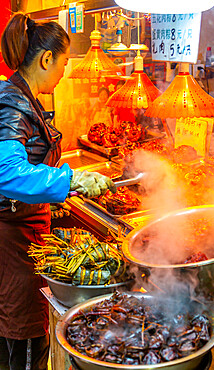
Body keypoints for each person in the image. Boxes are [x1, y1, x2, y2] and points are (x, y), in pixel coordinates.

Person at [0, 12, 116, 370]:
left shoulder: (22, 95)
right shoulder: (12, 103)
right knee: (24, 333)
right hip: (14, 237)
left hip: (28, 231)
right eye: (64, 62)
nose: (64, 71)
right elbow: (7, 173)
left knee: (26, 329)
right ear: (47, 59)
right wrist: (71, 180)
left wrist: (61, 182)